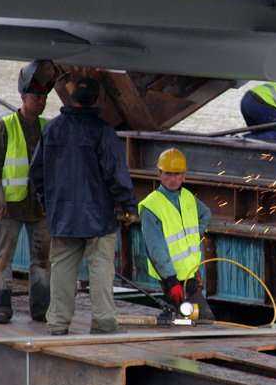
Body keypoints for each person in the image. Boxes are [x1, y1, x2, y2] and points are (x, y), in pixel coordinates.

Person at [29, 78, 137, 335]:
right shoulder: (103, 131)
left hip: (62, 214)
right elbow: (116, 173)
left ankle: (57, 323)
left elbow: (37, 173)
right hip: (98, 215)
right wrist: (128, 205)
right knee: (100, 267)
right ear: (97, 100)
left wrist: (49, 203)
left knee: (63, 268)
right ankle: (103, 322)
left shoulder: (53, 129)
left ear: (71, 99)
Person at [0, 60, 56, 324]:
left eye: (44, 97)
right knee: (3, 258)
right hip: (10, 206)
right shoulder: (6, 126)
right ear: (23, 97)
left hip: (40, 208)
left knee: (42, 261)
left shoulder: (49, 128)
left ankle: (42, 308)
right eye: (36, 96)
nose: (41, 101)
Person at [138, 148, 215, 321]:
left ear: (184, 176)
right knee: (196, 320)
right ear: (159, 174)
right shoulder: (151, 207)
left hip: (190, 275)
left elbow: (206, 214)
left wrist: (196, 233)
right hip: (171, 278)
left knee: (199, 320)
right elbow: (156, 248)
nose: (173, 179)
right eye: (168, 174)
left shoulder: (187, 197)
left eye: (177, 174)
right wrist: (170, 281)